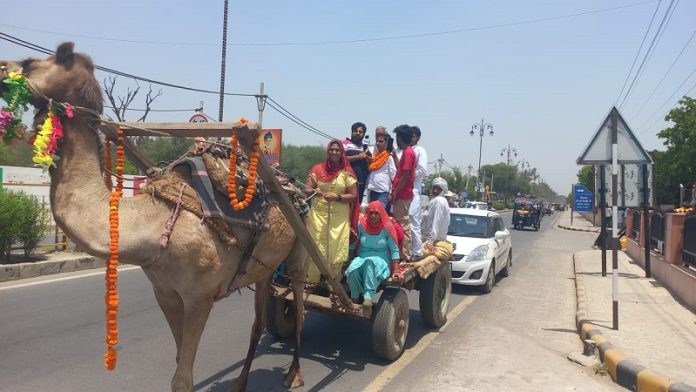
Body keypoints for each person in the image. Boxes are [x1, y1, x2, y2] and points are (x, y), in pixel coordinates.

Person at [304, 140, 359, 284]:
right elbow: (307, 189)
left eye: (337, 150)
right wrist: (315, 192)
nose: (334, 152)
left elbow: (353, 195)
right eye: (331, 150)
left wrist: (338, 197)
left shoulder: (347, 172)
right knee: (315, 247)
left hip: (339, 218)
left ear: (342, 153)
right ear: (328, 151)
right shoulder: (317, 169)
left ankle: (333, 284)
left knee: (336, 249)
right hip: (318, 215)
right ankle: (311, 282)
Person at [345, 201, 400, 308]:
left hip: (381, 260)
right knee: (351, 270)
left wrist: (396, 270)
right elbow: (354, 242)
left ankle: (368, 297)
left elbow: (394, 250)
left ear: (381, 214)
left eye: (376, 213)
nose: (373, 216)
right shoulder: (361, 225)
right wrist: (348, 257)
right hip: (362, 257)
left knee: (369, 263)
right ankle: (355, 297)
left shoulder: (387, 227)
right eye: (370, 213)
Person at [389, 125, 417, 261]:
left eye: (397, 138)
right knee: (401, 223)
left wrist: (395, 192)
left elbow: (405, 176)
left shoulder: (408, 152)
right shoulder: (408, 152)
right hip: (404, 194)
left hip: (403, 194)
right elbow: (402, 169)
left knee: (402, 225)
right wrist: (394, 156)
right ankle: (403, 254)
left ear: (400, 138)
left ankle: (405, 256)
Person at [408, 126, 428, 260]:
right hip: (401, 188)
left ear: (418, 137)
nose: (411, 138)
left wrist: (406, 175)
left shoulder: (420, 151)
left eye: (413, 136)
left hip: (414, 188)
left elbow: (422, 171)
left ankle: (417, 252)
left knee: (413, 219)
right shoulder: (405, 150)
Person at [364, 133, 396, 210]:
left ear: (386, 143)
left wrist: (391, 193)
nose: (378, 143)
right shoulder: (374, 157)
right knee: (372, 214)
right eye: (377, 141)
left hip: (383, 192)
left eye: (381, 141)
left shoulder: (389, 158)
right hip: (372, 190)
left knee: (380, 215)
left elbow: (394, 177)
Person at [421, 178, 451, 255]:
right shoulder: (436, 200)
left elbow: (436, 221)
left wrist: (430, 242)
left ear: (443, 190)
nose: (435, 190)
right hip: (427, 239)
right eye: (434, 187)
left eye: (438, 188)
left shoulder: (439, 201)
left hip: (434, 241)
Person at [343, 122, 370, 204]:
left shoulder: (365, 147)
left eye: (360, 132)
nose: (358, 133)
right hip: (346, 182)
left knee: (357, 207)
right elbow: (340, 159)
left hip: (360, 183)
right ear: (352, 132)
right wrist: (357, 157)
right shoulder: (345, 143)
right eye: (356, 131)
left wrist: (368, 160)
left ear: (364, 134)